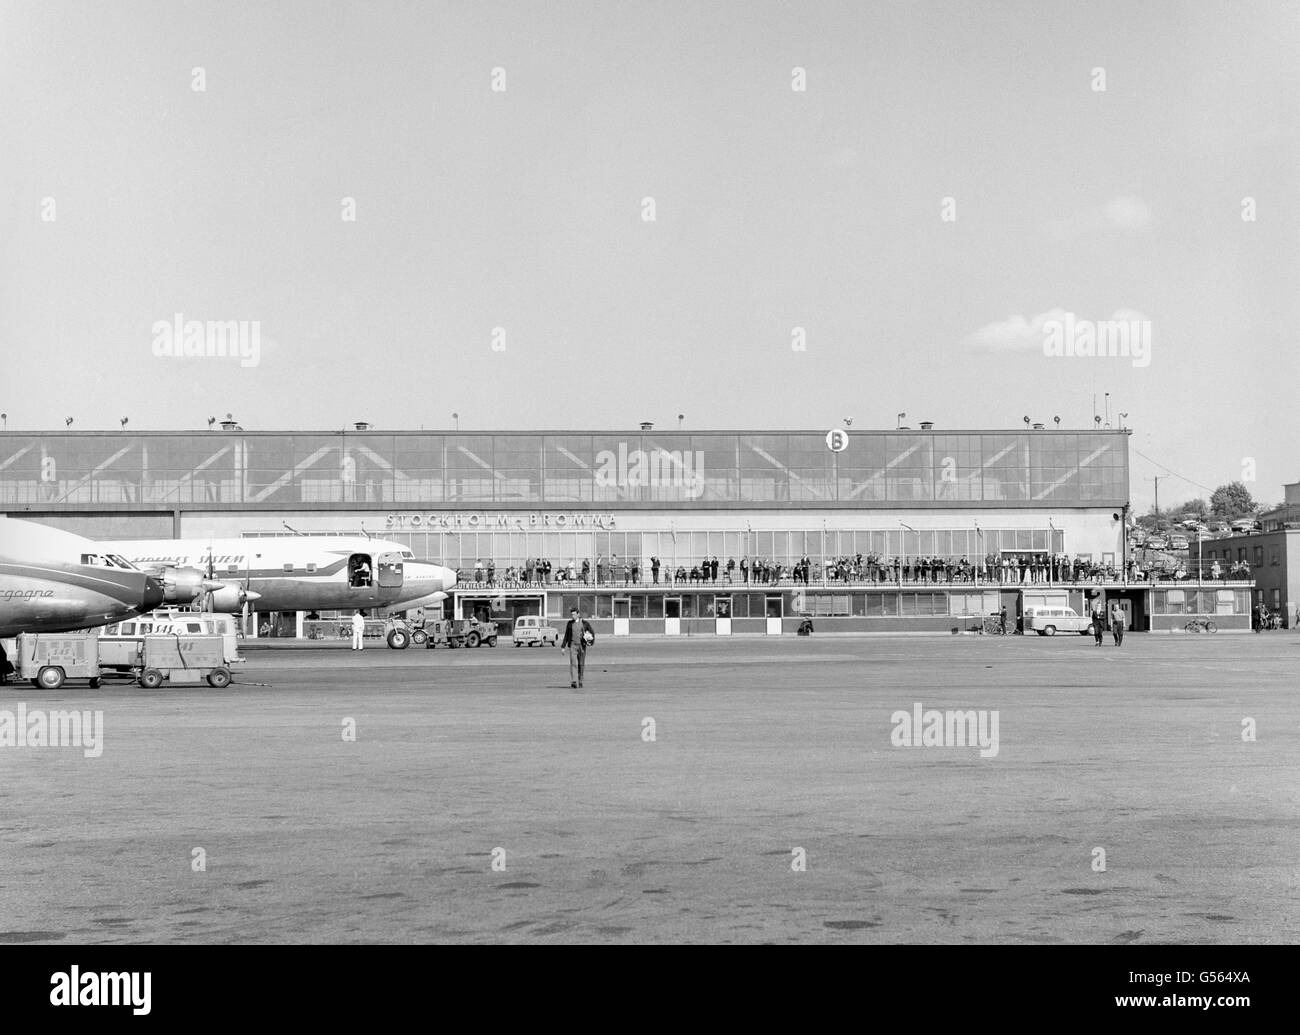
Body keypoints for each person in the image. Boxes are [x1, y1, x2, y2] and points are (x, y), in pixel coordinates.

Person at [559, 606, 595, 688]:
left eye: (574, 614)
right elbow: (566, 635)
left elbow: (592, 633)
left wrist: (591, 642)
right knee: (573, 663)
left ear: (578, 614)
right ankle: (574, 681)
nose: (573, 616)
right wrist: (563, 647)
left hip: (582, 646)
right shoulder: (569, 623)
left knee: (581, 664)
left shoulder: (585, 623)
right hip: (573, 646)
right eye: (572, 615)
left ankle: (580, 681)